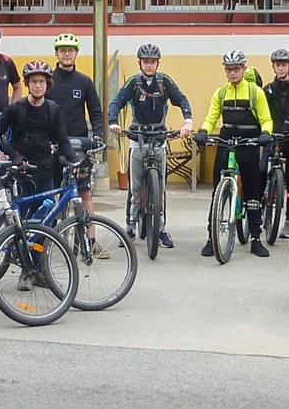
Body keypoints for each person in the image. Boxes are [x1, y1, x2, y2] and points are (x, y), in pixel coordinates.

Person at [0, 61, 77, 289]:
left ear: (47, 84)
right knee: (23, 223)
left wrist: (75, 160)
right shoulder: (17, 108)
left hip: (45, 172)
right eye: (33, 82)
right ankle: (25, 271)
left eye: (41, 82)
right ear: (28, 84)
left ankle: (39, 269)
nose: (37, 86)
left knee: (45, 222)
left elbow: (63, 140)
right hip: (22, 173)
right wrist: (13, 155)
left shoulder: (53, 109)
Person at [108, 43, 193, 247]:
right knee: (135, 188)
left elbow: (181, 99)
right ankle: (130, 227)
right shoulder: (134, 82)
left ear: (157, 63)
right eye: (145, 62)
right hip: (137, 139)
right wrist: (113, 122)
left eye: (152, 62)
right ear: (140, 63)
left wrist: (188, 121)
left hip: (159, 138)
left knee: (160, 188)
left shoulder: (164, 82)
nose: (149, 65)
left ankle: (160, 229)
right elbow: (117, 102)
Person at [195, 50, 273, 258]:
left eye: (236, 69)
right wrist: (203, 130)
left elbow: (266, 119)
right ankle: (211, 238)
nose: (232, 73)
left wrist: (265, 133)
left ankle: (255, 238)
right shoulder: (221, 93)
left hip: (249, 142)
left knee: (252, 190)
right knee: (216, 190)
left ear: (244, 69)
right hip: (226, 141)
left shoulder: (256, 92)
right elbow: (212, 116)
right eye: (229, 69)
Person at [48, 32, 105, 220]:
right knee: (51, 192)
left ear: (76, 53)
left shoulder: (84, 81)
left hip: (78, 144)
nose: (67, 54)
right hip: (53, 144)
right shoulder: (47, 80)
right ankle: (50, 234)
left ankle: (90, 235)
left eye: (70, 51)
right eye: (63, 51)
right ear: (56, 53)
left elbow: (96, 112)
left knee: (84, 193)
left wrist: (97, 135)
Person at [263, 48, 289, 239]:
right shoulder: (268, 90)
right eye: (278, 65)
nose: (281, 68)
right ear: (273, 67)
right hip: (273, 136)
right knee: (261, 170)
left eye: (284, 65)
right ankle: (262, 203)